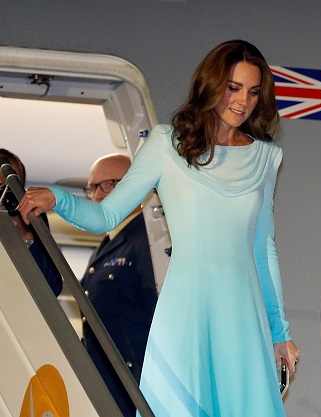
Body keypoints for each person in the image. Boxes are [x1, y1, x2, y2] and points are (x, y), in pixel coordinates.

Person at [18, 39, 299, 417]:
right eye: (233, 88)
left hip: (243, 318)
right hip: (186, 311)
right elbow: (106, 216)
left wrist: (280, 333)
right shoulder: (168, 144)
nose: (243, 101)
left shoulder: (265, 158)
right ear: (211, 85)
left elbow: (263, 250)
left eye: (253, 92)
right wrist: (59, 198)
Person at [80, 153, 157, 417]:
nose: (98, 195)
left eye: (109, 184)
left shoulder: (149, 241)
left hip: (135, 387)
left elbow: (157, 316)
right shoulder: (109, 243)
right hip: (108, 386)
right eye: (92, 187)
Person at [0, 148, 61, 294]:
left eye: (9, 188)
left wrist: (26, 236)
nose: (4, 195)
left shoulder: (32, 219)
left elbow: (51, 288)